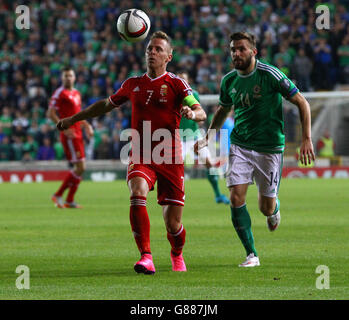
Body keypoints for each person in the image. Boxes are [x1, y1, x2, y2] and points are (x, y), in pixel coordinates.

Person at [56, 31, 206, 275]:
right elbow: (105, 105)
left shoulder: (176, 84)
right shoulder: (133, 84)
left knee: (173, 224)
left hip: (170, 156)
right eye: (149, 49)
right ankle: (146, 256)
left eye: (158, 49)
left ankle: (177, 253)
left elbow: (200, 111)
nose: (152, 53)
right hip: (140, 152)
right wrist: (74, 118)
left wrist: (193, 114)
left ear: (169, 56)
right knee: (137, 192)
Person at [195, 32, 315, 267]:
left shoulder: (270, 74)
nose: (236, 53)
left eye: (241, 49)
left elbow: (302, 102)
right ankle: (252, 254)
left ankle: (274, 209)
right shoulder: (228, 80)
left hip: (269, 148)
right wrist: (209, 136)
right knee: (236, 197)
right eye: (232, 49)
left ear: (253, 52)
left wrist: (306, 139)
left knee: (265, 206)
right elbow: (222, 110)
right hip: (240, 145)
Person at [178, 71, 230, 205]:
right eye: (180, 80)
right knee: (174, 168)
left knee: (209, 164)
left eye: (184, 80)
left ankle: (218, 194)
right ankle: (173, 196)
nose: (182, 82)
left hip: (194, 135)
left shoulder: (193, 94)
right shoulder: (173, 96)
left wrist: (197, 118)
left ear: (188, 81)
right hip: (178, 137)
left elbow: (199, 113)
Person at [48, 66, 94, 209]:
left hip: (78, 133)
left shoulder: (76, 93)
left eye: (70, 76)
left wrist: (87, 126)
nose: (68, 78)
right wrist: (63, 127)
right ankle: (59, 195)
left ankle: (68, 199)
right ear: (62, 78)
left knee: (80, 168)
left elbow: (78, 114)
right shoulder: (59, 93)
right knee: (80, 167)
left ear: (74, 77)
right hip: (70, 135)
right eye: (65, 76)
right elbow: (51, 113)